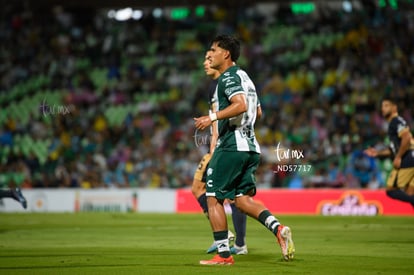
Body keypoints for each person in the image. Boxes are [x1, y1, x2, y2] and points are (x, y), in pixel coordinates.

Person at [194, 35, 295, 265]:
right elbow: (257, 112)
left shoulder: (228, 77)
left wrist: (212, 118)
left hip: (231, 146)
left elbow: (241, 105)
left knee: (213, 198)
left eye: (214, 50)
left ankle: (224, 254)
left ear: (225, 54)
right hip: (250, 146)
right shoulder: (246, 77)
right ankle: (278, 229)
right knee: (241, 200)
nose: (210, 54)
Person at [192, 51, 248, 255]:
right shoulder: (214, 87)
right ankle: (232, 239)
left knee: (231, 197)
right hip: (226, 145)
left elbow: (218, 122)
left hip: (225, 147)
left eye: (208, 59)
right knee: (200, 188)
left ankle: (233, 241)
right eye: (204, 59)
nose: (205, 63)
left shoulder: (221, 85)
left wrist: (215, 151)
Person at [364, 96, 414, 207]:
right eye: (382, 106)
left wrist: (398, 157)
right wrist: (378, 153)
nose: (383, 109)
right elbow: (394, 149)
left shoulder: (395, 121)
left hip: (408, 158)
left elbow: (406, 137)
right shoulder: (395, 123)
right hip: (411, 156)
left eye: (386, 106)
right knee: (410, 193)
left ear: (394, 108)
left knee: (391, 190)